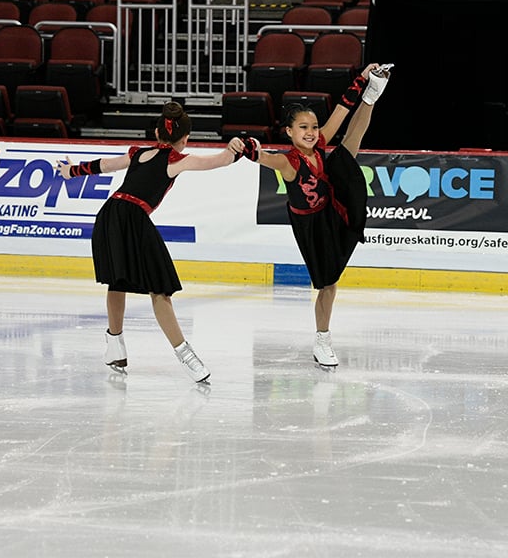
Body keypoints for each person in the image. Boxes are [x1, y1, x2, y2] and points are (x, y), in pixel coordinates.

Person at [53, 102, 247, 384]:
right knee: (160, 289)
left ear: (157, 131)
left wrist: (71, 172)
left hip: (110, 215)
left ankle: (115, 346)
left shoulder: (137, 153)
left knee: (117, 282)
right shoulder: (177, 160)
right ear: (185, 139)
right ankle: (186, 357)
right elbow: (218, 162)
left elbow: (102, 167)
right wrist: (235, 148)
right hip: (131, 216)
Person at [239, 63, 390, 369]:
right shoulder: (288, 162)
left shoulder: (319, 144)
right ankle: (322, 338)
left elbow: (341, 111)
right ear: (289, 132)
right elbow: (263, 158)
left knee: (347, 145)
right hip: (311, 224)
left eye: (313, 127)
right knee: (327, 283)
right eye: (303, 128)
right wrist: (247, 148)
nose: (311, 132)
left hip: (332, 202)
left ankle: (372, 95)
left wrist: (361, 80)